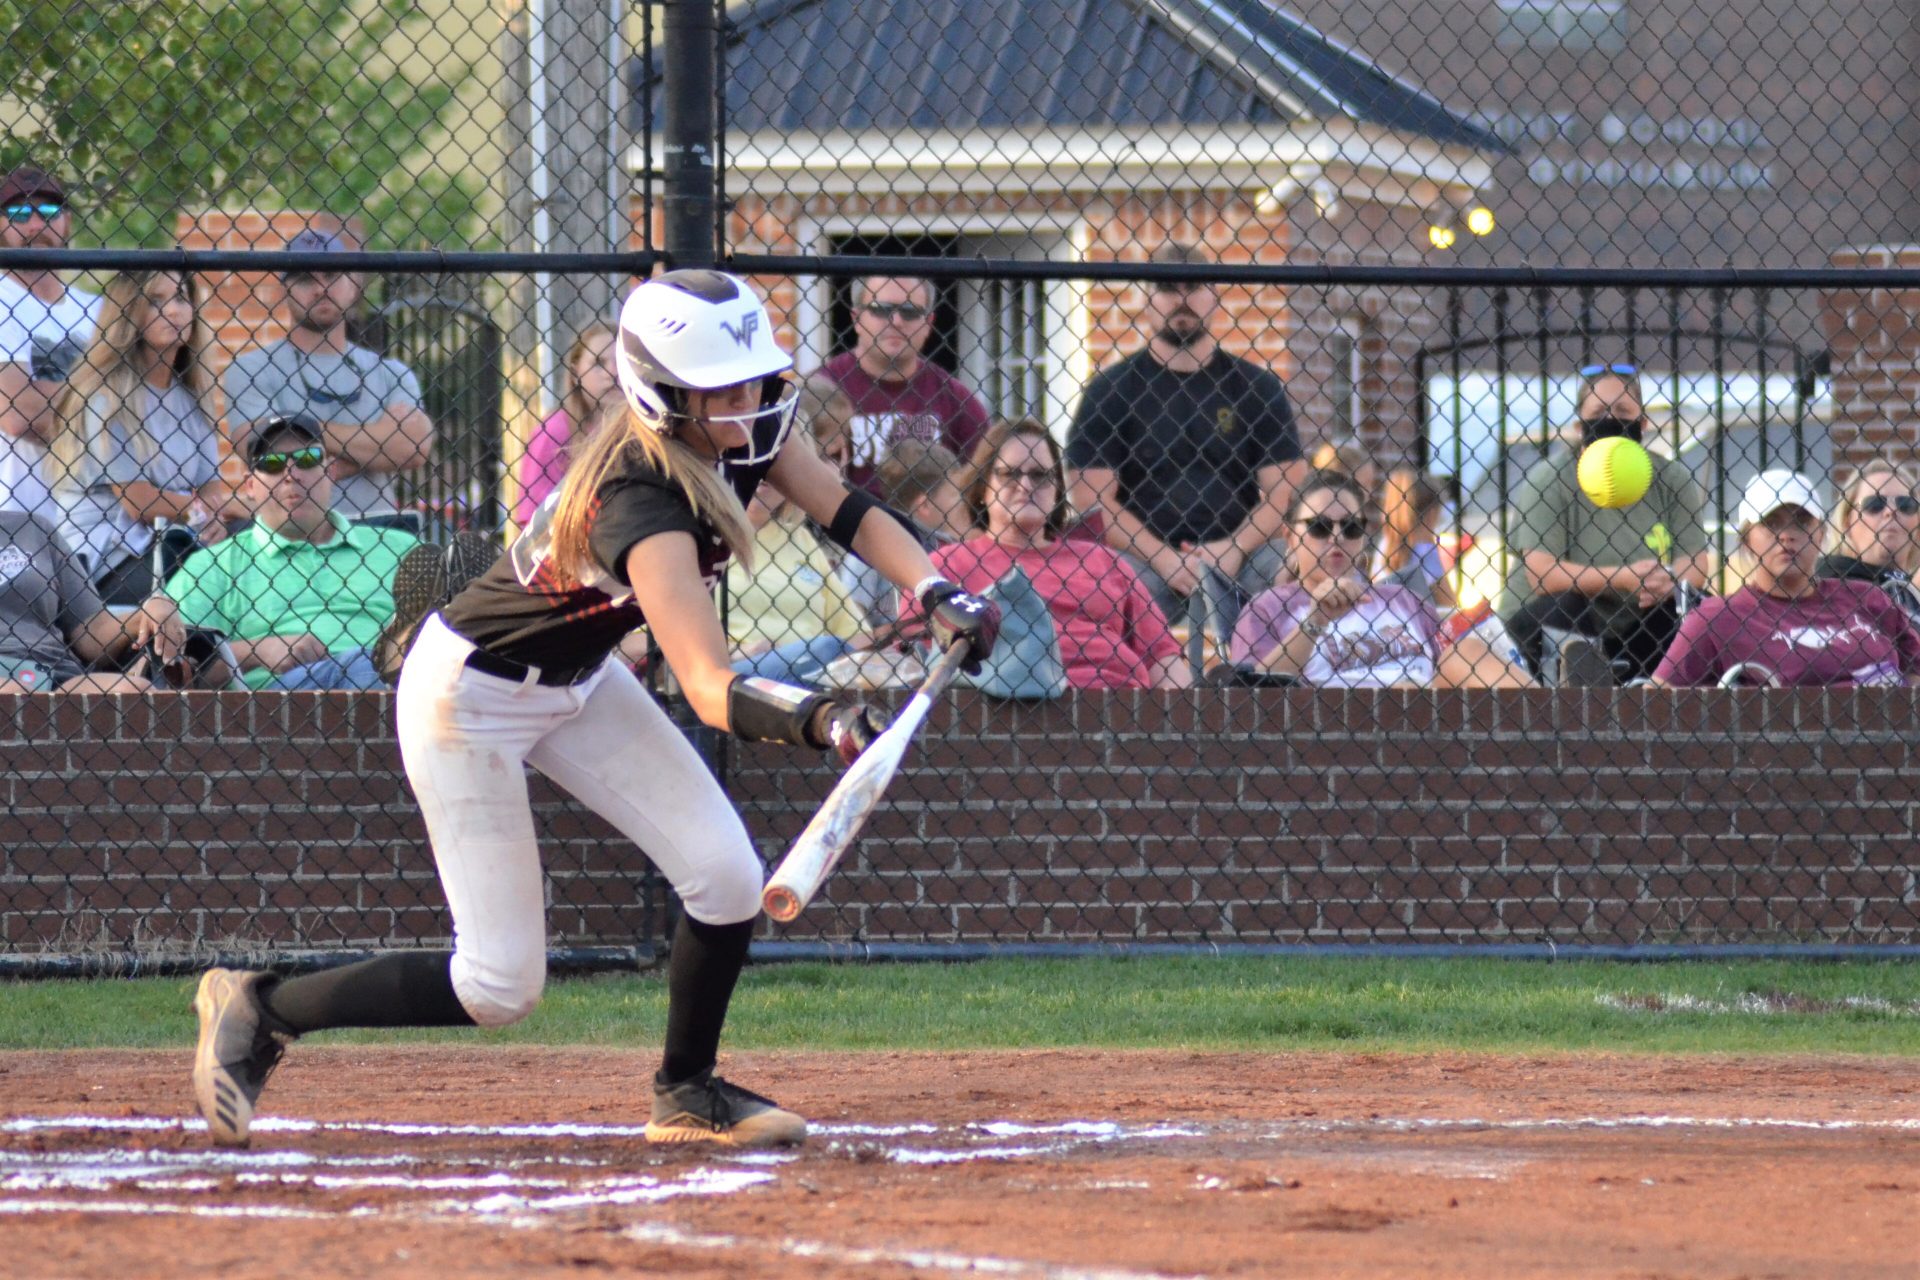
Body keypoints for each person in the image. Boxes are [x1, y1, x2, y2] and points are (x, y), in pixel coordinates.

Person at [188, 270, 999, 1151]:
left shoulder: (741, 426)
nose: (751, 404)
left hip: (577, 678)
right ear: (664, 396)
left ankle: (686, 1092)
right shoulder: (642, 502)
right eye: (721, 390)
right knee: (499, 986)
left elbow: (844, 508)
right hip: (471, 698)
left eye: (756, 381)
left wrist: (934, 585)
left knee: (726, 878)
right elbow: (707, 686)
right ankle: (262, 1006)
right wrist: (824, 719)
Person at [1064, 239, 1305, 612]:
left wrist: (1233, 549)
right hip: (1143, 559)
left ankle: (1275, 670)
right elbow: (1090, 500)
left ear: (1216, 297)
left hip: (1242, 556)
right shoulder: (1111, 390)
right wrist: (1164, 559)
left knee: (1294, 561)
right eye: (1166, 288)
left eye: (1194, 286)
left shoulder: (1257, 388)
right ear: (1146, 302)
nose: (1181, 299)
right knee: (1108, 573)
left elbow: (1286, 493)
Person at [912, 417, 1184, 690]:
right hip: (1005, 709)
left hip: (1121, 704)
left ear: (1056, 490)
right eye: (1010, 474)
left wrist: (1180, 723)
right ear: (983, 487)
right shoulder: (944, 566)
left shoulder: (1104, 561)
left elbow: (1163, 656)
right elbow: (910, 658)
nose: (1026, 486)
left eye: (1040, 475)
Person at [167, 415, 421, 690]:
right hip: (281, 702)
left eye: (307, 458)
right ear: (250, 486)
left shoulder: (399, 548)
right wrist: (257, 652)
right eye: (272, 463)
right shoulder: (213, 566)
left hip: (402, 680)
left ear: (330, 471)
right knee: (370, 664)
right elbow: (175, 668)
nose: (291, 474)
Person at [1500, 364, 1710, 683]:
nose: (1611, 420)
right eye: (1599, 411)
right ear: (1578, 426)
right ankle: (1573, 692)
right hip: (1551, 625)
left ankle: (1657, 698)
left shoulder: (1671, 478)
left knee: (1694, 608)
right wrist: (1621, 578)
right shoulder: (1551, 479)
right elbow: (1543, 575)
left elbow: (1695, 564)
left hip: (1630, 626)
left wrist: (1667, 582)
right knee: (1566, 604)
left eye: (1623, 411)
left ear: (1643, 423)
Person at [46, 270, 244, 604]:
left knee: (254, 541)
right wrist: (222, 509)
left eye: (182, 298)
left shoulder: (191, 396)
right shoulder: (106, 397)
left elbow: (211, 486)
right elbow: (142, 503)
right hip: (108, 561)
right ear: (128, 314)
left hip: (174, 538)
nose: (174, 311)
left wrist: (217, 519)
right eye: (155, 301)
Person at [222, 228, 435, 522]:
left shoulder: (391, 373)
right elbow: (256, 448)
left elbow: (411, 448)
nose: (321, 288)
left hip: (377, 533)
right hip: (291, 537)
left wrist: (294, 428)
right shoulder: (251, 369)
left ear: (353, 284)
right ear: (285, 290)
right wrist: (375, 448)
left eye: (331, 276)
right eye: (306, 279)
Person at [1652, 469, 1920, 688]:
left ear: (1820, 533)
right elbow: (1653, 700)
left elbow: (1915, 672)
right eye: (1771, 523)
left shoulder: (1869, 599)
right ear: (1746, 539)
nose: (1787, 535)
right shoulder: (1718, 617)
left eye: (1802, 522)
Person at [1230, 471, 1441, 687]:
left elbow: (1451, 665)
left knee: (1467, 650)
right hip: (1337, 716)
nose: (1337, 537)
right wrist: (1315, 622)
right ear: (1290, 537)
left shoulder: (1403, 599)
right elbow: (1252, 696)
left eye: (1351, 526)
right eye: (1319, 526)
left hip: (1433, 710)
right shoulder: (1268, 608)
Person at [724, 375, 867, 683]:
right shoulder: (701, 533)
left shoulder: (799, 539)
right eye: (748, 457)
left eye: (772, 464)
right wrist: (728, 654)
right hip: (734, 676)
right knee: (824, 650)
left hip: (814, 671)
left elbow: (856, 637)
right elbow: (636, 644)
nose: (760, 475)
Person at [821, 275, 990, 493]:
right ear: (856, 319)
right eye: (881, 309)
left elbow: (983, 485)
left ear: (929, 323)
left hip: (929, 526)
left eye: (910, 311)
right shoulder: (822, 388)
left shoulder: (956, 400)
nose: (896, 321)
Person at [0, 166, 102, 524]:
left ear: (66, 222)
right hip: (16, 517)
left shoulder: (98, 309)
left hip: (98, 520)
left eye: (47, 213)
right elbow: (20, 413)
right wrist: (105, 400)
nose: (34, 226)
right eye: (19, 213)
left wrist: (47, 392)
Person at [0, 508, 186, 693]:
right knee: (13, 696)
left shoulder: (33, 529)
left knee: (134, 692)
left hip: (52, 671)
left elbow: (93, 630)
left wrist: (150, 612)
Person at [840, 436, 972, 630]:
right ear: (925, 505)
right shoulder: (874, 540)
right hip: (886, 649)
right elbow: (852, 611)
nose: (962, 501)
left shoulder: (950, 546)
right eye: (955, 494)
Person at [514, 322, 619, 528]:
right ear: (575, 373)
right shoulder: (554, 431)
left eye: (622, 363)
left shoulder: (648, 431)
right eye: (599, 363)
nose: (613, 373)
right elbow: (533, 519)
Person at [1817, 458, 1920, 623]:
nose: (1891, 511)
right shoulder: (1827, 582)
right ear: (1846, 522)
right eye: (1875, 504)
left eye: (1905, 505)